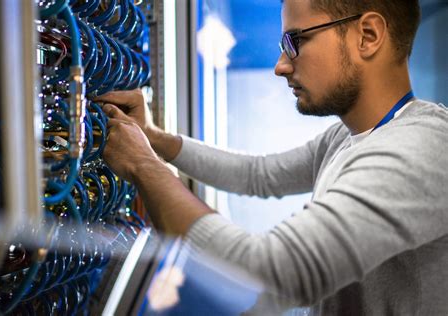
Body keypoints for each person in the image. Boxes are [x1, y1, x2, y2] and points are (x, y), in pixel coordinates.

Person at [95, 0, 448, 314]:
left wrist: (144, 166)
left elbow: (264, 278)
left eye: (295, 42)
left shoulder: (423, 147)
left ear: (368, 35)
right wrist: (155, 139)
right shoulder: (346, 137)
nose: (280, 66)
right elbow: (258, 174)